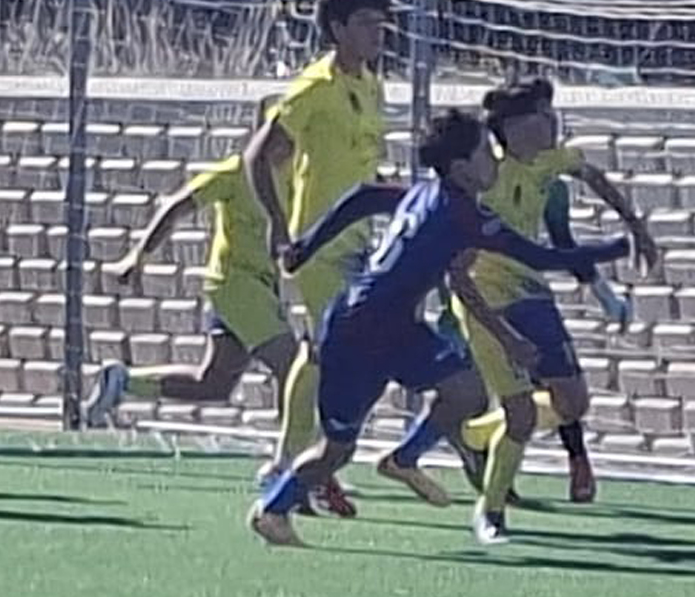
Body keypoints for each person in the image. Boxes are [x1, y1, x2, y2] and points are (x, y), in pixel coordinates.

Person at [249, 110, 633, 548]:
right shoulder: (462, 214)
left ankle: (404, 457)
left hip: (399, 330)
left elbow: (363, 197)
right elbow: (539, 257)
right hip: (357, 333)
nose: (495, 159)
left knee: (467, 390)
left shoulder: (426, 193)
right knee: (337, 451)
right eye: (485, 152)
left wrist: (308, 244)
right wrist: (616, 247)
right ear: (461, 167)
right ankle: (272, 511)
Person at [448, 77, 658, 527]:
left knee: (573, 403)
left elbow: (592, 175)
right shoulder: (487, 178)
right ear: (514, 127)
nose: (553, 121)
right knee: (521, 413)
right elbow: (457, 264)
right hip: (485, 299)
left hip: (530, 292)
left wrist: (636, 227)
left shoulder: (551, 159)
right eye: (543, 115)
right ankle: (491, 511)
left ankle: (474, 434)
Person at [245, 0, 393, 516]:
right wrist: (278, 226)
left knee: (317, 352)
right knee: (344, 353)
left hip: (360, 240)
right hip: (320, 245)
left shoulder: (372, 84)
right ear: (337, 28)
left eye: (381, 23)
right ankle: (311, 466)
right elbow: (259, 157)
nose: (377, 33)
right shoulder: (313, 87)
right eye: (366, 23)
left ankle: (288, 463)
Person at [84, 99, 296, 427]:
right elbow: (176, 206)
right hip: (236, 286)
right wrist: (138, 257)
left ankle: (122, 382)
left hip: (264, 288)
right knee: (291, 363)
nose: (289, 141)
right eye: (281, 133)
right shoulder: (235, 172)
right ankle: (294, 450)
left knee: (214, 384)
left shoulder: (298, 176)